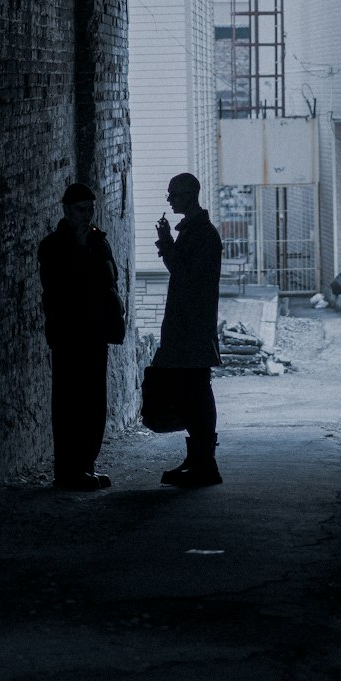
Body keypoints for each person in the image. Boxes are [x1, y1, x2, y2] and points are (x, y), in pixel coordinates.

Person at [38, 181, 126, 491]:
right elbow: (57, 291)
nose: (86, 216)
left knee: (93, 402)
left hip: (94, 334)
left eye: (89, 210)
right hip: (68, 335)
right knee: (68, 403)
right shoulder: (53, 246)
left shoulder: (99, 242)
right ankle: (67, 470)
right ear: (66, 210)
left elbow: (110, 280)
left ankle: (86, 466)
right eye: (80, 210)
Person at [153, 172, 223, 489]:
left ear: (190, 195)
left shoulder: (203, 235)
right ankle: (198, 461)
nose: (169, 200)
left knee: (196, 395)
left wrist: (166, 243)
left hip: (191, 328)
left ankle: (204, 464)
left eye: (174, 195)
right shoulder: (195, 232)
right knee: (192, 394)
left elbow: (185, 275)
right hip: (189, 327)